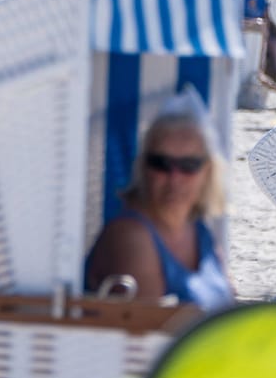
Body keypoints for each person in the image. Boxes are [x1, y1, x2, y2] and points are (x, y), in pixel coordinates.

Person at [83, 110, 234, 309]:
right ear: (144, 168)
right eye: (161, 164)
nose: (174, 177)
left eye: (188, 165)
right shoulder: (130, 236)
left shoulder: (197, 228)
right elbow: (150, 332)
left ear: (207, 171)